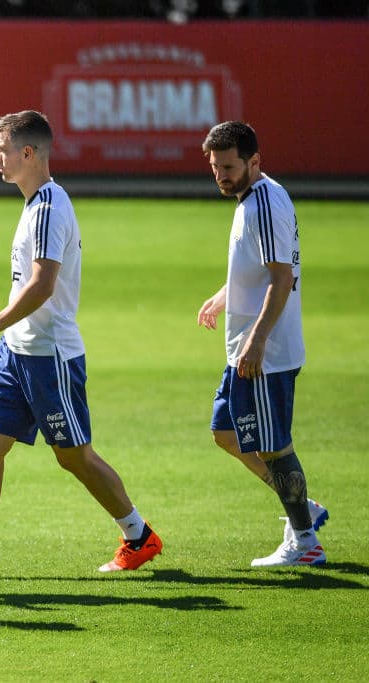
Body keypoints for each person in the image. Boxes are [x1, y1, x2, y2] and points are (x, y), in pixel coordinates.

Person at [0, 110, 162, 580]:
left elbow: (43, 285)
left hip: (51, 355)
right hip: (17, 352)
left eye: (3, 149)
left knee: (74, 456)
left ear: (28, 153)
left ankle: (138, 535)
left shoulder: (48, 207)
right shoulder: (33, 205)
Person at [196, 121, 327, 567]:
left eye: (229, 166)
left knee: (273, 445)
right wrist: (223, 295)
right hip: (245, 351)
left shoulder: (266, 203)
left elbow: (280, 277)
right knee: (226, 432)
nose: (221, 175)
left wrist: (256, 342)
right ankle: (303, 507)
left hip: (264, 354)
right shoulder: (248, 198)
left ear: (255, 161)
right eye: (215, 167)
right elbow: (254, 268)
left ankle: (305, 541)